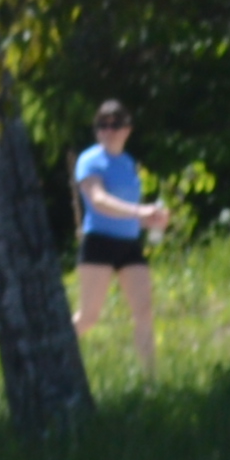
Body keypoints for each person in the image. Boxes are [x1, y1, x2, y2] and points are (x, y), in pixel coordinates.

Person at [67, 99, 164, 378]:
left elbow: (128, 209)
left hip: (129, 245)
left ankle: (150, 380)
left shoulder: (128, 163)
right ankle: (47, 361)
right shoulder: (90, 159)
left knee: (144, 311)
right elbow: (98, 200)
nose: (108, 130)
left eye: (115, 125)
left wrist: (152, 218)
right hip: (98, 242)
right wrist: (139, 210)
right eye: (102, 125)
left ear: (127, 129)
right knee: (88, 317)